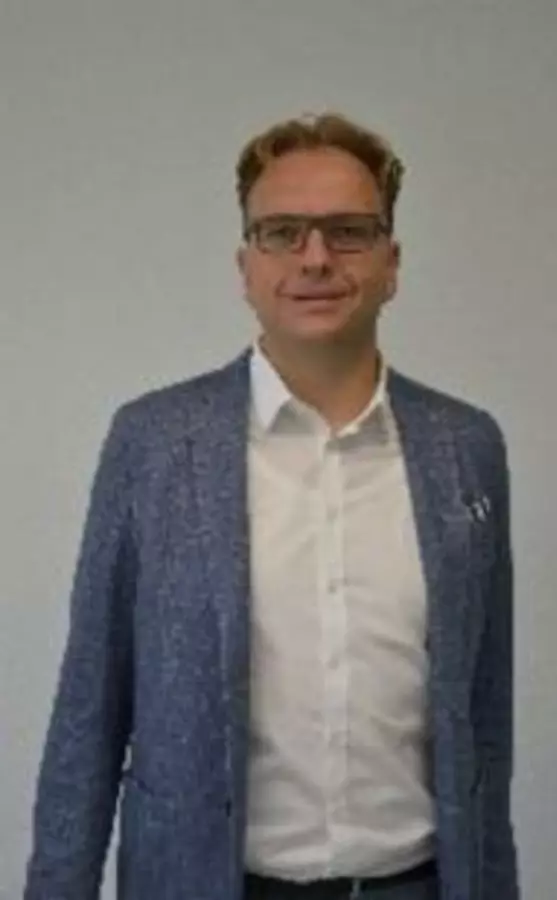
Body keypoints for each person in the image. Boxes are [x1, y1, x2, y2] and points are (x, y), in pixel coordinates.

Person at [24, 112, 519, 900]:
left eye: (348, 232)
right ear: (246, 265)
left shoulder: (466, 447)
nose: (315, 257)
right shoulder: (154, 442)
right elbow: (90, 708)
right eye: (282, 232)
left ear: (392, 262)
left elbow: (484, 719)